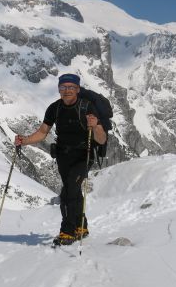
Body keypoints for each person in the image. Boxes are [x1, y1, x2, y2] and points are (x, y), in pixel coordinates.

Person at [15, 73, 107, 245]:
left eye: (71, 87)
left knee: (68, 192)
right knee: (73, 190)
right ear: (58, 89)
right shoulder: (54, 108)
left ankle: (67, 231)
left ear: (78, 89)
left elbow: (101, 139)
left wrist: (95, 126)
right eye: (63, 87)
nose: (67, 91)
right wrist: (24, 140)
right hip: (63, 156)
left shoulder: (88, 108)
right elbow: (43, 132)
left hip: (83, 156)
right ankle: (82, 227)